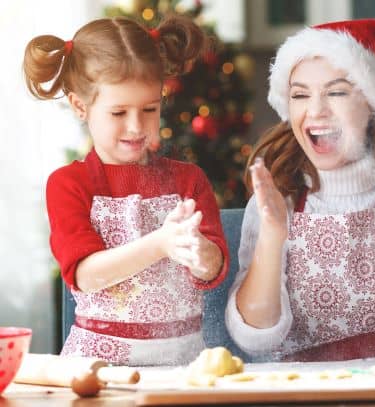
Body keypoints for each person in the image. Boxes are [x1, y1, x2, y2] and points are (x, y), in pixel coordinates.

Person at [224, 19, 375, 361]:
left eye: (336, 92)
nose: (316, 110)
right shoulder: (277, 203)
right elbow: (254, 341)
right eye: (300, 95)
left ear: (373, 107)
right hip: (298, 392)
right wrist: (272, 238)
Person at [23, 16, 229, 366]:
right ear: (79, 106)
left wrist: (201, 254)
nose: (137, 126)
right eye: (118, 112)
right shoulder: (69, 184)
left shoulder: (189, 180)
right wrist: (160, 244)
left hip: (183, 365)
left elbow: (214, 270)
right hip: (98, 368)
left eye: (150, 108)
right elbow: (86, 276)